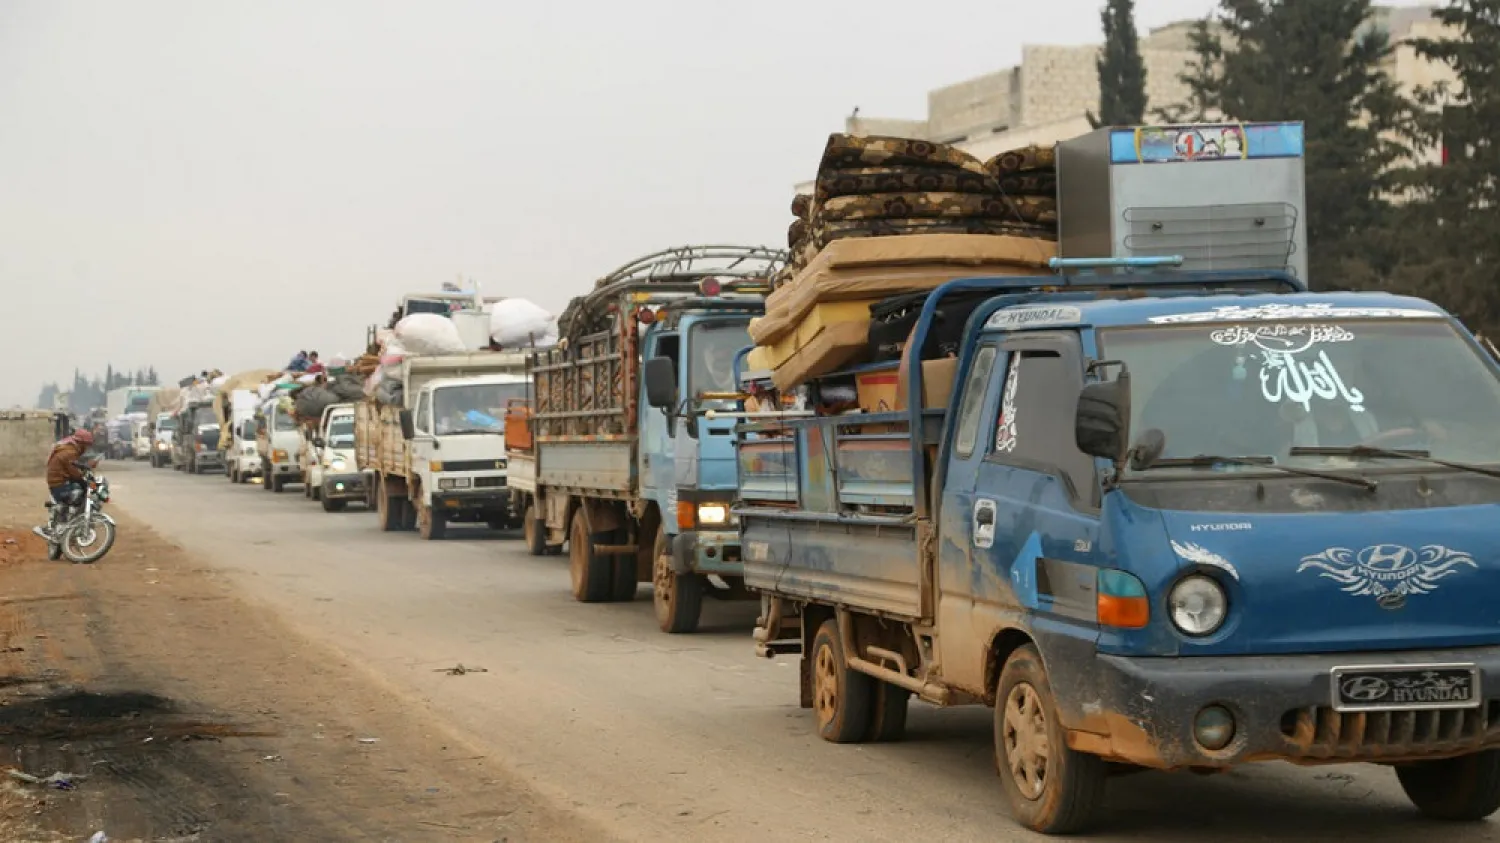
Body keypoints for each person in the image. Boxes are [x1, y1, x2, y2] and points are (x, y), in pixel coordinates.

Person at [36, 429, 94, 540]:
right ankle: (54, 527)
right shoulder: (70, 452)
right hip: (59, 483)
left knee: (79, 490)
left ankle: (67, 521)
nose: (87, 448)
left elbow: (74, 467)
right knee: (77, 494)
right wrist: (84, 482)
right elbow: (74, 473)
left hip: (61, 480)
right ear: (81, 443)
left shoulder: (70, 449)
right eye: (86, 445)